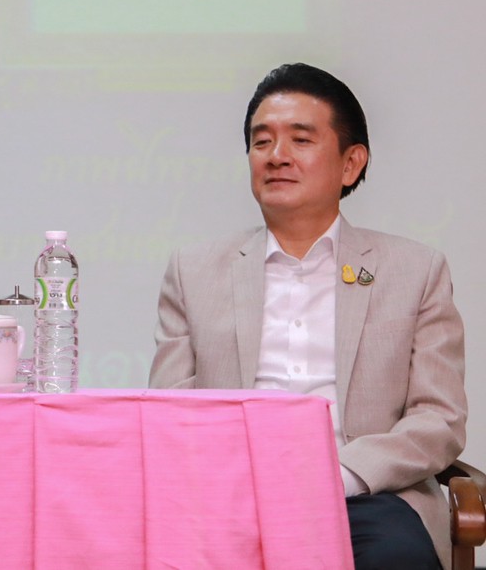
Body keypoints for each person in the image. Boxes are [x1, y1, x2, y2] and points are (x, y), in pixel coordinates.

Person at [150, 63, 465, 569]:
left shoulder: (415, 270)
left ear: (350, 163)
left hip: (366, 496)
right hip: (227, 496)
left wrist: (340, 475)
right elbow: (171, 410)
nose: (276, 156)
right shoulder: (194, 271)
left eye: (300, 140)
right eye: (262, 142)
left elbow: (438, 419)